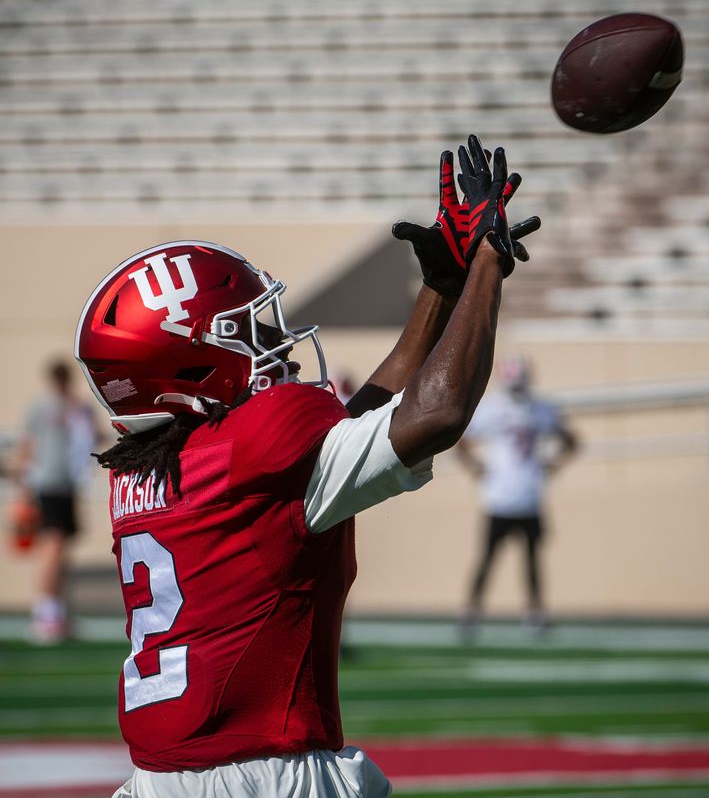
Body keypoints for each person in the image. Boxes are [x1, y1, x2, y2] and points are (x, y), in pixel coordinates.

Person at [74, 134, 540, 798]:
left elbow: (358, 431)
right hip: (267, 775)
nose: (275, 341)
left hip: (157, 782)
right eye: (246, 330)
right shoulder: (250, 447)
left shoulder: (153, 468)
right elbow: (434, 415)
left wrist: (438, 291)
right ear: (191, 364)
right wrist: (487, 264)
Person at [456, 353, 578, 633]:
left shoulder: (542, 408)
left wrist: (552, 465)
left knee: (532, 560)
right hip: (499, 497)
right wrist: (477, 469)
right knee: (488, 558)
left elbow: (571, 440)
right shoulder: (493, 408)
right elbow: (462, 441)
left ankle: (533, 612)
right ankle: (471, 611)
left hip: (528, 496)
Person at [16, 359, 98, 643]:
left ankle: (58, 611)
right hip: (48, 484)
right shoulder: (42, 407)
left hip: (68, 486)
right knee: (53, 546)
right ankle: (45, 614)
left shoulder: (79, 408)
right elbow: (28, 446)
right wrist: (24, 491)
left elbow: (92, 438)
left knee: (62, 548)